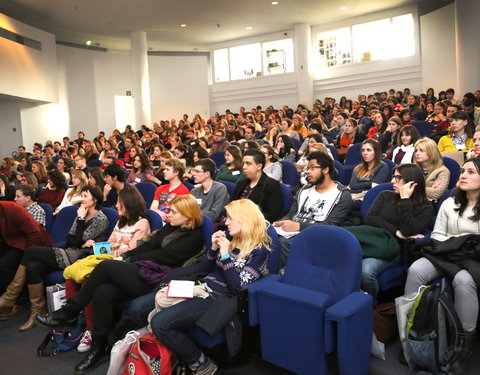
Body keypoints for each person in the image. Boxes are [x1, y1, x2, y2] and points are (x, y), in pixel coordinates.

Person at [36, 195, 204, 374]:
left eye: (173, 212)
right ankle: (99, 347)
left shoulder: (194, 237)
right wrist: (125, 257)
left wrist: (128, 260)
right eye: (169, 210)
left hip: (159, 281)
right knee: (103, 292)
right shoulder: (171, 227)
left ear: (187, 216)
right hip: (144, 271)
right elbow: (147, 248)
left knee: (106, 265)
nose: (168, 214)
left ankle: (69, 311)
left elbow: (161, 256)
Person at [131, 199, 271, 375]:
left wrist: (226, 255)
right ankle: (170, 349)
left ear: (245, 219)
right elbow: (204, 271)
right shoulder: (231, 239)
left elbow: (237, 288)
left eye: (230, 218)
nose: (225, 222)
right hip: (200, 286)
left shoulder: (259, 251)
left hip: (218, 297)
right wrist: (212, 250)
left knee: (160, 323)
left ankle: (201, 363)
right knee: (137, 308)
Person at [404, 158, 480, 373]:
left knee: (464, 280)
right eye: (462, 171)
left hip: (473, 259)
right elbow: (437, 236)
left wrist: (458, 245)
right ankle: (411, 332)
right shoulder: (449, 202)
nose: (463, 175)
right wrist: (457, 246)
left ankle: (461, 347)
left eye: (471, 172)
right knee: (416, 269)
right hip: (446, 254)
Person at [0, 186, 108, 330]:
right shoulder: (81, 213)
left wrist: (81, 220)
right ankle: (36, 312)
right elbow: (71, 240)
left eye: (85, 196)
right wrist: (79, 231)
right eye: (81, 195)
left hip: (81, 257)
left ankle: (10, 296)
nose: (82, 199)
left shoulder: (101, 218)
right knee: (33, 267)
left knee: (31, 252)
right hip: (70, 251)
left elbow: (77, 241)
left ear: (95, 200)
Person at [65, 187, 150, 352]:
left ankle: (89, 329)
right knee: (72, 277)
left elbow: (131, 250)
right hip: (107, 260)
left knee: (88, 283)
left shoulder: (143, 223)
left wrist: (116, 246)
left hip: (124, 266)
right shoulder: (120, 221)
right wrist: (120, 244)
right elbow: (107, 244)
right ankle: (76, 318)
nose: (116, 206)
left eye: (120, 202)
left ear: (130, 204)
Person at [362, 164, 434, 304]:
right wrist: (396, 231)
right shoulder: (385, 195)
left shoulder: (426, 208)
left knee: (365, 272)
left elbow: (408, 230)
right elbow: (370, 218)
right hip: (373, 242)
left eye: (398, 178)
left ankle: (372, 308)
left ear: (411, 182)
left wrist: (405, 199)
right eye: (393, 177)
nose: (393, 181)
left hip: (395, 250)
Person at [274, 151, 352, 269]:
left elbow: (330, 225)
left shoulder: (341, 195)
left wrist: (298, 226)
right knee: (267, 235)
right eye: (307, 168)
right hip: (291, 230)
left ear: (325, 169)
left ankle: (283, 276)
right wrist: (282, 222)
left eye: (312, 168)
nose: (307, 172)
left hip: (317, 236)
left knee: (284, 243)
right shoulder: (304, 190)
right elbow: (291, 214)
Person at [232, 149, 283, 223]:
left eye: (248, 163)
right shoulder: (241, 183)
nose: (244, 167)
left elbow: (272, 215)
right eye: (243, 163)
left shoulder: (271, 185)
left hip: (254, 225)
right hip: (235, 222)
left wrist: (245, 218)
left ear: (259, 166)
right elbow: (232, 205)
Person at [349, 139, 391, 204]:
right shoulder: (358, 168)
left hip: (369, 198)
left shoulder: (383, 167)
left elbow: (375, 188)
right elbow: (352, 184)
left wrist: (359, 187)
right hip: (352, 195)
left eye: (369, 150)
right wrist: (370, 184)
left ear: (376, 152)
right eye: (363, 150)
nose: (365, 153)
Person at [190, 158, 230, 222]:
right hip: (194, 223)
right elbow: (188, 211)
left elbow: (214, 215)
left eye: (197, 171)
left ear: (207, 174)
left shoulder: (220, 189)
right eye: (193, 171)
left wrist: (193, 214)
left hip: (211, 225)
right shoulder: (194, 191)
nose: (193, 174)